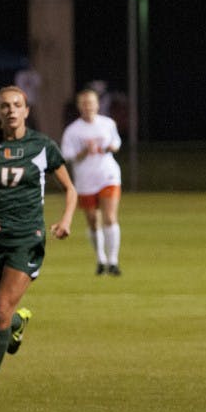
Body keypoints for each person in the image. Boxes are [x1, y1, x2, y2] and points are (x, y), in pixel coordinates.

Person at [0, 85, 77, 403]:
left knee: (0, 309)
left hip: (26, 239)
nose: (11, 110)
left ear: (26, 111)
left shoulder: (42, 146)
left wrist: (65, 221)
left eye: (17, 105)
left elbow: (70, 189)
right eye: (5, 106)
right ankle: (16, 321)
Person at [61, 88, 123, 275]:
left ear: (97, 105)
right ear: (79, 106)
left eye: (91, 103)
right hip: (86, 180)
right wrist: (83, 152)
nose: (88, 106)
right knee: (93, 221)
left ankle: (113, 261)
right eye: (84, 103)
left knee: (109, 217)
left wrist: (111, 147)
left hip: (108, 175)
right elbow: (67, 155)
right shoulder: (73, 130)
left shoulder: (107, 123)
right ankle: (100, 259)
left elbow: (116, 143)